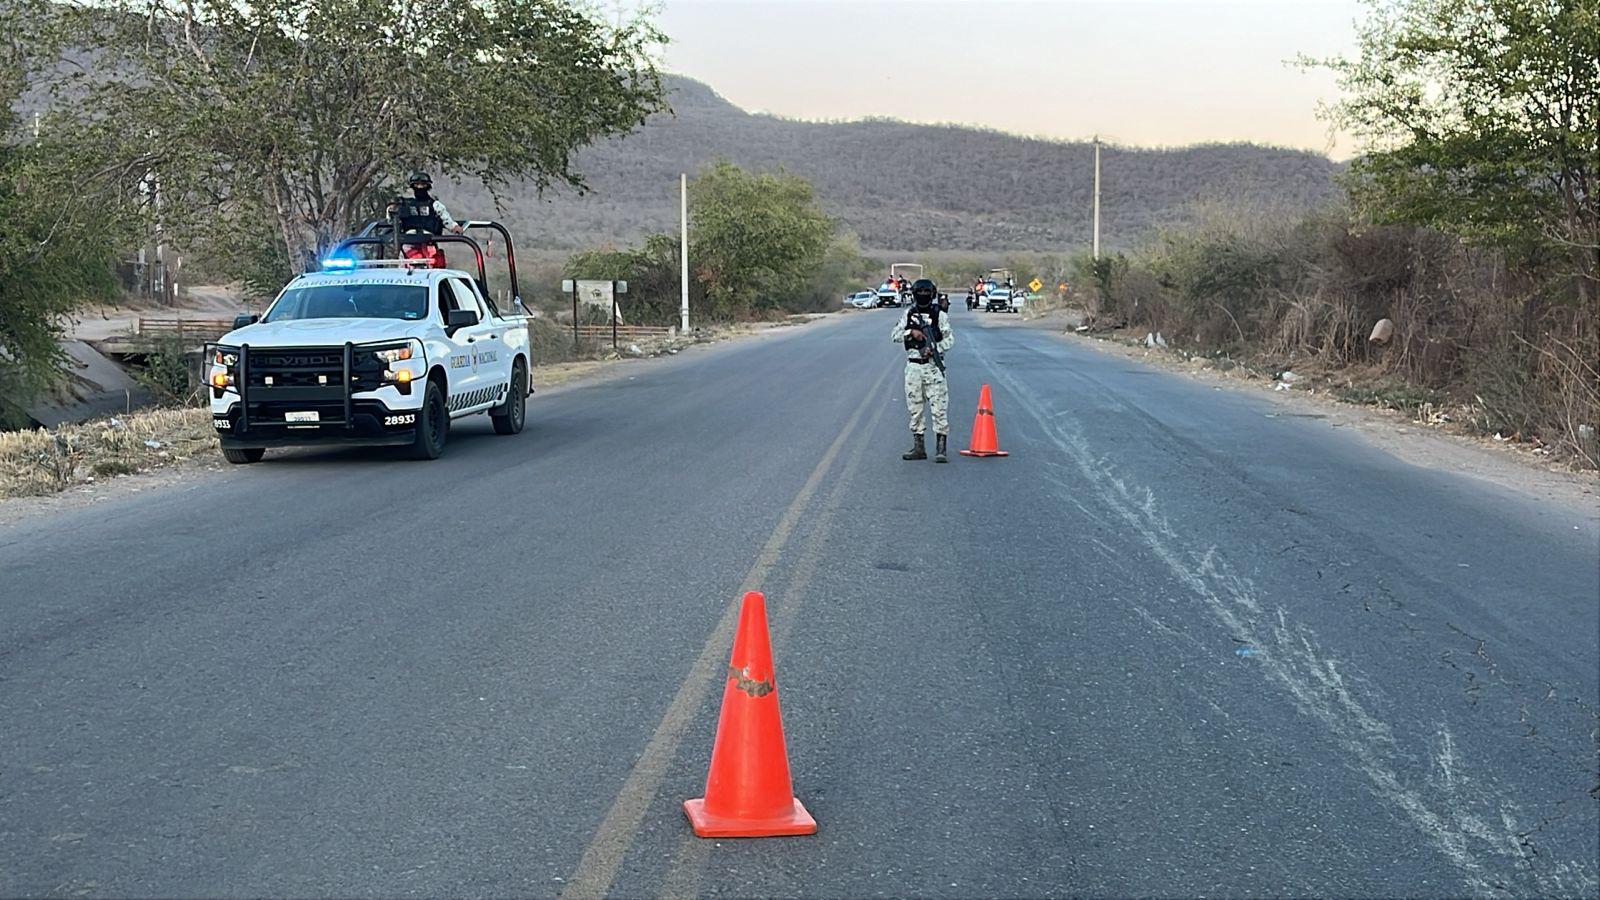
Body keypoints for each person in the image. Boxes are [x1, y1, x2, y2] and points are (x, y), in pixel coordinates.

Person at [891, 278, 955, 463]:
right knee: (915, 408)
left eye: (927, 293)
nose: (924, 296)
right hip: (914, 367)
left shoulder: (940, 315)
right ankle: (919, 448)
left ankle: (941, 449)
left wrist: (935, 349)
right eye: (921, 292)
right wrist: (911, 333)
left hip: (933, 366)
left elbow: (950, 339)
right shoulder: (908, 314)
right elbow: (894, 335)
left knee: (939, 408)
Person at [387, 172, 464, 268]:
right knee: (404, 269)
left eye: (422, 185)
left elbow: (446, 218)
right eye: (417, 185)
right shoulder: (404, 204)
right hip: (408, 242)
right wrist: (392, 209)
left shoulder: (435, 205)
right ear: (413, 186)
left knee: (433, 269)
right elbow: (391, 220)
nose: (419, 187)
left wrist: (454, 227)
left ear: (427, 186)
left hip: (429, 242)